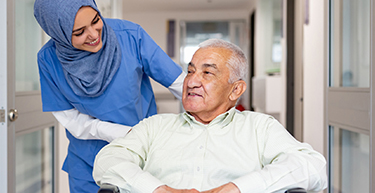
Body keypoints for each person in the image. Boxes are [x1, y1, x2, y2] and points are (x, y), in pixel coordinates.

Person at [93, 39, 328, 193]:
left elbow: (313, 167)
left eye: (207, 73)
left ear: (236, 89)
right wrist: (158, 190)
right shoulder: (155, 127)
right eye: (191, 71)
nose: (192, 81)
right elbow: (107, 161)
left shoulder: (260, 128)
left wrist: (237, 188)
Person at [33, 0, 185, 192]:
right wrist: (121, 132)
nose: (94, 35)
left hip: (140, 155)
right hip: (88, 161)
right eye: (79, 32)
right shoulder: (48, 60)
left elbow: (179, 83)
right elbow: (71, 120)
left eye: (96, 20)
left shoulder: (130, 35)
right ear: (58, 33)